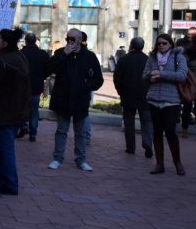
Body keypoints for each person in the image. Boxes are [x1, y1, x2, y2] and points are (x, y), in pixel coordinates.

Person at [46, 28, 103, 172]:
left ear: (79, 39)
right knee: (61, 130)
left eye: (73, 39)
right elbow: (50, 69)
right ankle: (57, 158)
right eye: (68, 39)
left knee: (81, 132)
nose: (70, 42)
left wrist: (85, 86)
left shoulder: (89, 56)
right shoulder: (60, 53)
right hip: (63, 99)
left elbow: (98, 79)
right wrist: (64, 55)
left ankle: (81, 160)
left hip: (80, 100)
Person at [0, 29, 31, 195]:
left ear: (4, 42)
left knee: (5, 148)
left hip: (4, 111)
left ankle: (9, 183)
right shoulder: (20, 57)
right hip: (18, 110)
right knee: (4, 147)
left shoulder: (2, 61)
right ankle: (0, 179)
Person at [143, 34, 187, 176]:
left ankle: (177, 163)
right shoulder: (152, 57)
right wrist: (151, 75)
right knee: (156, 133)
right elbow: (144, 76)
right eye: (159, 43)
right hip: (154, 99)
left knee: (171, 133)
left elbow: (182, 75)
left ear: (170, 44)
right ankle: (159, 164)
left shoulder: (178, 57)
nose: (161, 45)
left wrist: (162, 74)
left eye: (164, 43)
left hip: (171, 100)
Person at [113, 37, 153, 158]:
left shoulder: (124, 60)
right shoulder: (148, 60)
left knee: (129, 122)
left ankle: (130, 147)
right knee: (146, 121)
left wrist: (120, 92)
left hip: (128, 95)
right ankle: (148, 144)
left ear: (131, 45)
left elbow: (117, 78)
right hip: (145, 95)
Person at [18, 32, 50, 142]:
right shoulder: (43, 54)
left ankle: (23, 126)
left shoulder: (21, 53)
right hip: (36, 86)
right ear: (35, 41)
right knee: (34, 111)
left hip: (23, 86)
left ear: (26, 41)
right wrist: (42, 76)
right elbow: (48, 70)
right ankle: (33, 133)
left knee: (22, 108)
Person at [180, 27, 196, 138]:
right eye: (189, 34)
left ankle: (186, 129)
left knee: (188, 105)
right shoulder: (182, 45)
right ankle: (184, 129)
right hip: (189, 79)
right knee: (187, 104)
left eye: (193, 35)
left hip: (191, 78)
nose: (190, 36)